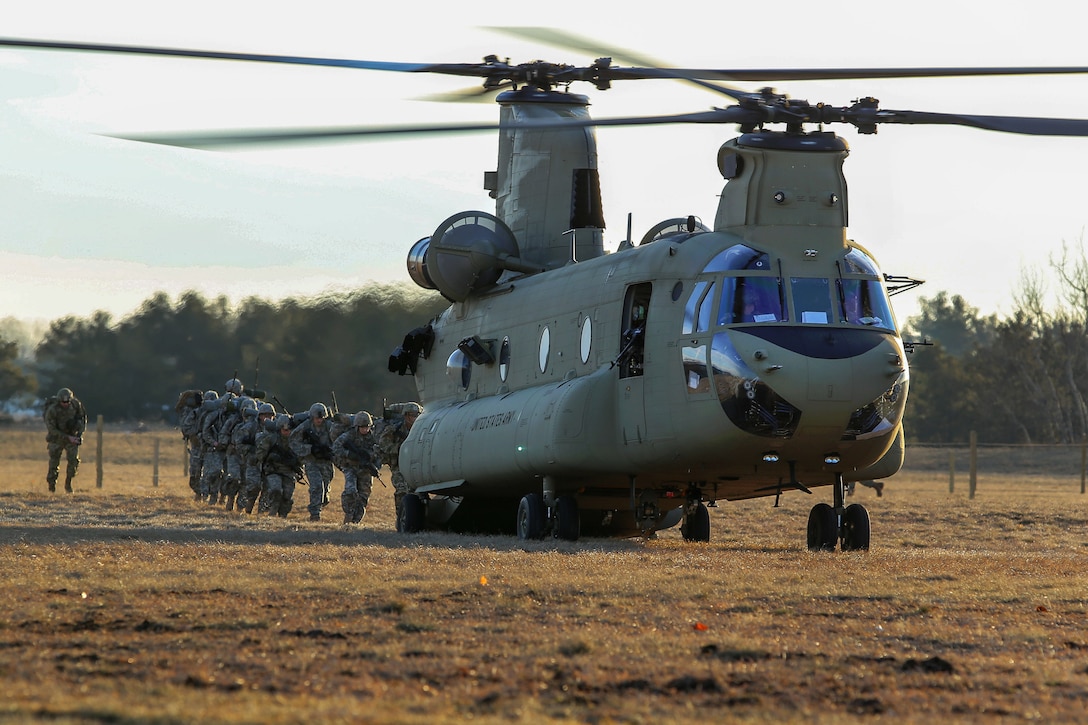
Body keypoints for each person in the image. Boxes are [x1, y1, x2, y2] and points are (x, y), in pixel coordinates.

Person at [379, 401, 422, 529]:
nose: (414, 418)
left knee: (416, 493)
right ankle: (401, 518)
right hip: (398, 465)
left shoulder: (421, 429)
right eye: (411, 415)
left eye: (416, 415)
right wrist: (399, 449)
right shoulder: (395, 429)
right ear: (405, 416)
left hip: (415, 464)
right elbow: (383, 443)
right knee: (401, 491)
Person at [333, 411, 381, 525]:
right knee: (350, 490)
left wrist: (375, 466)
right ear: (357, 426)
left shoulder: (373, 437)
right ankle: (349, 515)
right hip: (351, 467)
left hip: (366, 470)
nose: (365, 430)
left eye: (367, 427)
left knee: (363, 496)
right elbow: (335, 447)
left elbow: (380, 453)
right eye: (362, 427)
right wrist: (349, 454)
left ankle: (355, 522)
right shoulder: (349, 435)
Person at [290, 402, 336, 522]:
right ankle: (315, 515)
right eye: (317, 418)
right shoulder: (306, 426)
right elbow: (293, 442)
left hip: (326, 462)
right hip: (311, 461)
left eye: (321, 418)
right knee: (316, 486)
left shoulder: (330, 427)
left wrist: (330, 451)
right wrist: (309, 449)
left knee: (324, 491)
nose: (319, 420)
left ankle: (321, 502)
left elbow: (339, 441)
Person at [256, 413, 302, 518]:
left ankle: (282, 516)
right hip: (273, 470)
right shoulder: (272, 439)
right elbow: (260, 453)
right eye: (284, 430)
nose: (287, 432)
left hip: (289, 472)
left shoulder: (295, 441)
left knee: (287, 495)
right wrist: (270, 458)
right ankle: (272, 511)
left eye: (289, 430)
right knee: (276, 489)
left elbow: (302, 456)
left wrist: (296, 462)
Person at [44, 387, 87, 493]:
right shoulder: (52, 410)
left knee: (74, 461)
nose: (65, 404)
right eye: (63, 402)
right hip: (56, 438)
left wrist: (79, 435)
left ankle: (68, 484)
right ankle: (52, 487)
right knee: (54, 463)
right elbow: (51, 428)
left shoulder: (76, 405)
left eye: (67, 402)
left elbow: (82, 420)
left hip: (72, 437)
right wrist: (67, 437)